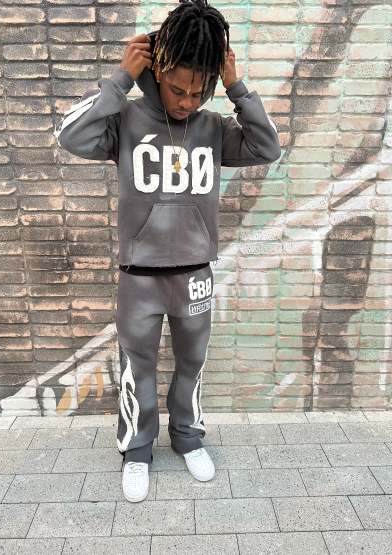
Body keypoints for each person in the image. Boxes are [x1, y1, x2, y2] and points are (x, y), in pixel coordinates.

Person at [55, 0, 281, 503]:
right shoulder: (126, 120)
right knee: (136, 367)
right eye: (179, 90)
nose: (186, 101)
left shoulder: (213, 127)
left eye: (199, 91)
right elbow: (71, 134)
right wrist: (120, 79)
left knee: (191, 363)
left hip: (195, 273)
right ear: (157, 70)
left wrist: (236, 88)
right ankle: (137, 451)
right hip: (139, 275)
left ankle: (188, 438)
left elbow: (268, 147)